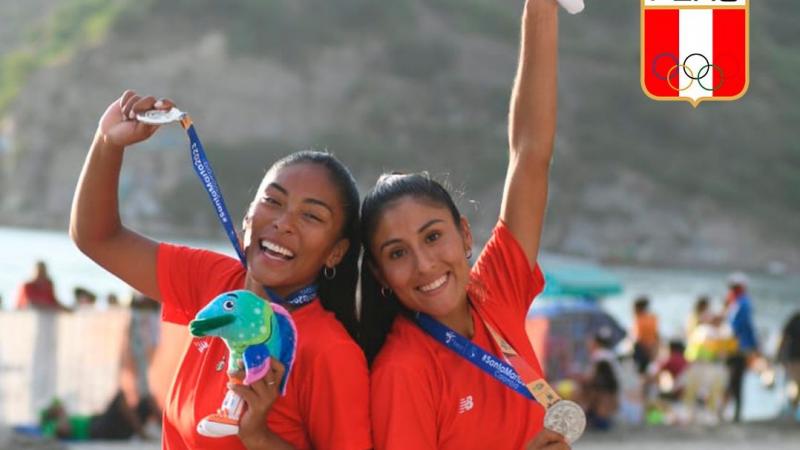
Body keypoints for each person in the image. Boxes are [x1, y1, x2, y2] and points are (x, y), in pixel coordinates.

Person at [70, 92, 370, 449]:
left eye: (311, 216)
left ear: (336, 252)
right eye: (272, 201)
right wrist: (107, 143)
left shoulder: (331, 352)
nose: (283, 223)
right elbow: (97, 238)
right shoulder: (213, 282)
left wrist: (258, 434)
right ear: (247, 219)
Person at [360, 1, 568, 449]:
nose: (425, 264)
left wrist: (541, 9)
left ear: (466, 235)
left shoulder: (496, 291)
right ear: (379, 274)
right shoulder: (405, 370)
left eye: (433, 236)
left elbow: (530, 154)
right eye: (397, 253)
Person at [39, 392, 156, 441]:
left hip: (101, 422)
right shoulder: (50, 425)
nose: (61, 409)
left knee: (147, 402)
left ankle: (169, 434)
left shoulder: (64, 417)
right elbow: (63, 429)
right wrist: (60, 415)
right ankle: (141, 433)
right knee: (119, 398)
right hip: (97, 430)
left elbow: (60, 405)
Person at [724, 271, 758, 422]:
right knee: (734, 380)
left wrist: (753, 346)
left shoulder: (742, 303)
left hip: (737, 349)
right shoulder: (737, 302)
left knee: (734, 380)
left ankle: (735, 413)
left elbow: (742, 327)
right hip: (735, 347)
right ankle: (732, 412)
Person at [777, 311, 800, 419]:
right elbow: (784, 336)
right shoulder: (795, 319)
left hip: (793, 357)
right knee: (794, 384)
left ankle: (794, 410)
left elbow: (784, 337)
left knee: (794, 384)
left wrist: (779, 354)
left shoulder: (794, 319)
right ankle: (794, 410)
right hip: (794, 358)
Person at [631, 296, 659, 375]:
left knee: (641, 373)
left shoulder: (639, 319)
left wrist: (647, 350)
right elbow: (656, 335)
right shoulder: (653, 318)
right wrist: (654, 350)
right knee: (649, 371)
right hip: (651, 347)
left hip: (641, 349)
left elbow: (638, 337)